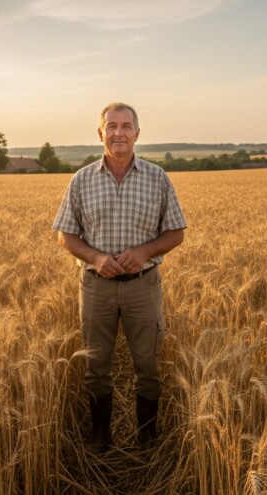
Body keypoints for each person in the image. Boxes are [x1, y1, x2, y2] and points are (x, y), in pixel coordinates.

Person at [52, 102, 187, 453]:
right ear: (100, 134)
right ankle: (100, 438)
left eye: (126, 126)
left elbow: (176, 232)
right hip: (96, 288)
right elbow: (65, 235)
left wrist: (143, 252)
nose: (118, 133)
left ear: (137, 134)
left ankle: (147, 438)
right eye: (111, 126)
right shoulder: (82, 180)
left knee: (148, 364)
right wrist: (96, 258)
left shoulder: (157, 178)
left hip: (144, 285)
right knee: (96, 366)